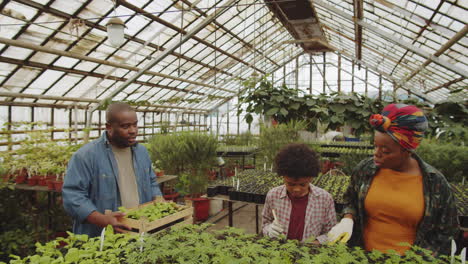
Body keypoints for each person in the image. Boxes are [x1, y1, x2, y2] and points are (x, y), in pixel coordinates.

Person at [327, 104, 459, 255]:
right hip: (363, 257)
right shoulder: (365, 170)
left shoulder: (434, 183)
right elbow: (351, 200)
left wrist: (421, 258)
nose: (376, 154)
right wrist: (348, 219)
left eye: (385, 151)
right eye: (375, 146)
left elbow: (446, 233)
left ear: (407, 150)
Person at [63, 102, 162, 237]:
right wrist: (102, 219)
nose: (133, 130)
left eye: (135, 124)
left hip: (139, 229)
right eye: (125, 126)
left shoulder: (141, 152)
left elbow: (151, 181)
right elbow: (73, 196)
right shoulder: (86, 156)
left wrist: (160, 201)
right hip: (100, 236)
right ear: (109, 127)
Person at [262, 143, 337, 243]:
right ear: (283, 176)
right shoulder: (273, 195)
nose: (297, 189)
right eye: (291, 184)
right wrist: (269, 230)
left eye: (302, 184)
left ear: (311, 178)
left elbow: (331, 232)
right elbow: (265, 223)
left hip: (310, 254)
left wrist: (317, 242)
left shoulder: (325, 199)